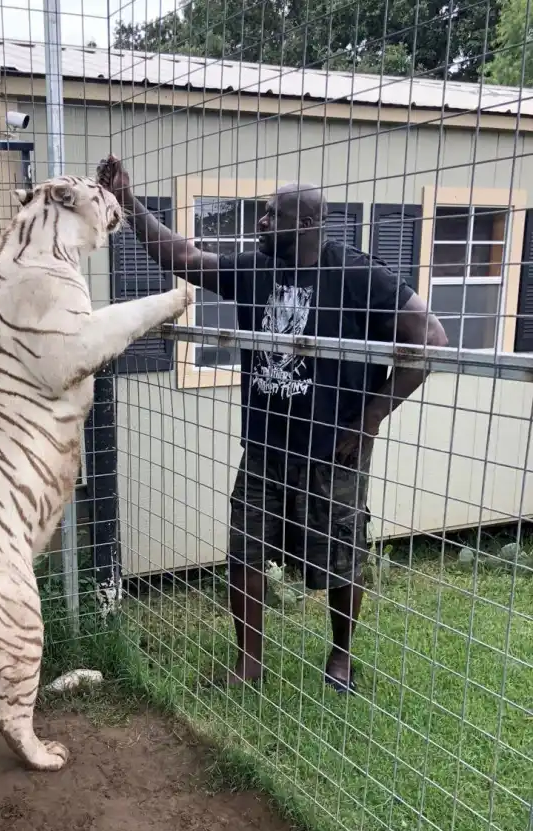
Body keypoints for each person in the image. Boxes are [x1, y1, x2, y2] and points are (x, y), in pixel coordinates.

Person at [97, 155, 447, 693]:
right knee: (246, 548)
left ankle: (341, 656)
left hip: (335, 449)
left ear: (306, 223)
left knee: (342, 553)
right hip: (265, 445)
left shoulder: (356, 274)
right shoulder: (256, 268)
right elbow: (184, 255)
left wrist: (372, 419)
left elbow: (431, 338)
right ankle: (248, 664)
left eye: (270, 215)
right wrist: (129, 202)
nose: (259, 224)